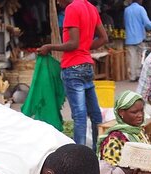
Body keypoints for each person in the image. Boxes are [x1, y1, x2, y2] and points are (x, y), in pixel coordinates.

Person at [38, 0, 108, 151]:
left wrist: (49, 47)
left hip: (73, 67)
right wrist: (85, 47)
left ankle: (80, 155)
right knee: (95, 115)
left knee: (79, 116)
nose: (57, 2)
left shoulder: (72, 9)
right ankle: (100, 150)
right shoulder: (91, 8)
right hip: (87, 66)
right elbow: (104, 38)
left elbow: (73, 44)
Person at [98, 91, 151, 165]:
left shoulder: (139, 131)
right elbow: (112, 170)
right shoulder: (115, 139)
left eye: (141, 111)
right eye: (134, 112)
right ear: (121, 112)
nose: (140, 115)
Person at [124, 0, 151, 82]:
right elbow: (147, 22)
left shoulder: (127, 10)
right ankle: (138, 74)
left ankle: (132, 76)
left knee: (132, 57)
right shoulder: (140, 9)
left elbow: (125, 23)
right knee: (139, 57)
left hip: (129, 37)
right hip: (139, 37)